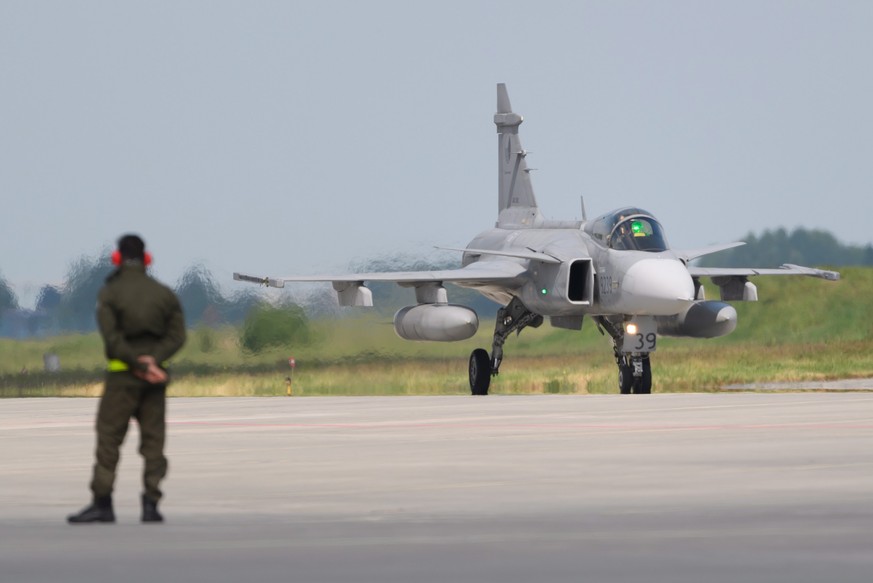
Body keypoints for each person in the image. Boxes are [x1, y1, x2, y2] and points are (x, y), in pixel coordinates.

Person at [67, 234, 186, 524]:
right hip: (155, 381)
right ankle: (151, 504)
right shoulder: (164, 294)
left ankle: (103, 503)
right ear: (147, 259)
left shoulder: (110, 293)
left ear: (117, 259)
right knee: (154, 442)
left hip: (122, 379)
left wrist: (136, 363)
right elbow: (177, 336)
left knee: (109, 440)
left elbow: (112, 340)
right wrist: (152, 361)